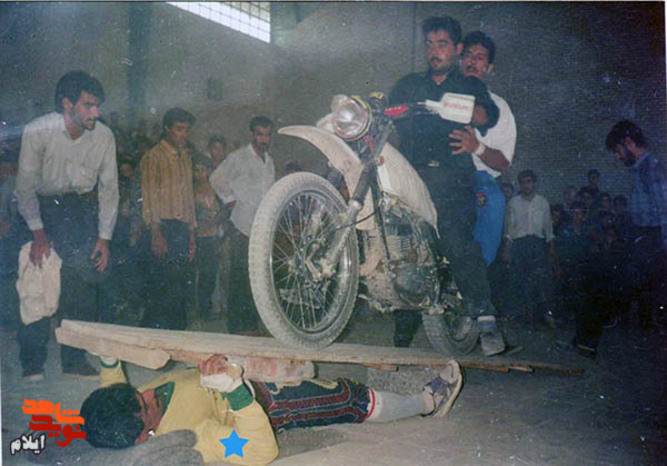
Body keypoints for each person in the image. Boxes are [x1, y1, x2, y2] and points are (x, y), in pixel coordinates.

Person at [79, 355, 462, 463]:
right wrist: (236, 393)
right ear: (143, 436)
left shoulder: (122, 405)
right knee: (347, 397)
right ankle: (428, 403)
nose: (149, 395)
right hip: (263, 402)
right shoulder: (190, 438)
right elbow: (262, 452)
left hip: (232, 367)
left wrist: (108, 358)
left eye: (138, 394)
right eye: (145, 406)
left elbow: (111, 383)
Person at [389, 17, 505, 355]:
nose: (434, 51)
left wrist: (461, 109)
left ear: (457, 49)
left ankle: (485, 317)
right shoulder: (410, 84)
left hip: (451, 177)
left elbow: (488, 116)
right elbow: (386, 110)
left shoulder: (468, 85)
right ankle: (402, 329)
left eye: (442, 44)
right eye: (429, 44)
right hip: (410, 174)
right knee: (399, 243)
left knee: (454, 237)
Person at [14, 71, 119, 381]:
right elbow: (24, 189)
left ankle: (73, 360)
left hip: (79, 211)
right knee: (36, 282)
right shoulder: (38, 131)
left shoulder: (104, 137)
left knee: (80, 288)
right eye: (88, 105)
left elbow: (109, 190)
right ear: (66, 104)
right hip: (39, 209)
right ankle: (32, 363)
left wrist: (104, 238)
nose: (95, 113)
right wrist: (38, 233)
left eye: (97, 105)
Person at [209, 116, 276, 335]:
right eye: (259, 134)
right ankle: (237, 327)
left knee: (256, 277)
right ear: (251, 134)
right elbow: (216, 178)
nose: (264, 139)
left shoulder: (269, 162)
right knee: (240, 276)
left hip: (260, 227)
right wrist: (231, 200)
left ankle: (251, 325)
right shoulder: (238, 157)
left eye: (267, 135)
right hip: (241, 224)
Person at [457, 31, 517, 266]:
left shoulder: (499, 107)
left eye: (480, 57)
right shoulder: (440, 94)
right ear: (460, 60)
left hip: (477, 179)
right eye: (468, 55)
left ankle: (478, 270)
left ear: (489, 68)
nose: (472, 62)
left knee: (493, 199)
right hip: (438, 172)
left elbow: (503, 163)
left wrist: (476, 147)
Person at [140, 108, 197, 330]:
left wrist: (192, 235)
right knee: (160, 289)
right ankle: (153, 339)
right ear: (167, 129)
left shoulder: (186, 157)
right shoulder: (153, 157)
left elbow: (189, 198)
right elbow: (149, 197)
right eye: (179, 129)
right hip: (162, 228)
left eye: (187, 130)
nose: (184, 134)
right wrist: (156, 233)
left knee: (179, 287)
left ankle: (176, 337)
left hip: (182, 229)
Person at [503, 169, 557, 328]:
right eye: (523, 183)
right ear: (519, 185)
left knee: (539, 282)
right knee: (520, 281)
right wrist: (506, 249)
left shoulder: (542, 202)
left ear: (534, 183)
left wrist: (551, 248)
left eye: (529, 182)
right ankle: (523, 318)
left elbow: (548, 228)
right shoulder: (514, 203)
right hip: (520, 245)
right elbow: (509, 229)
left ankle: (538, 318)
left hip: (538, 245)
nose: (526, 185)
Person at [192, 154, 227, 323]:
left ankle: (208, 308)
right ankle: (201, 308)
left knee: (210, 274)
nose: (199, 174)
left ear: (208, 171)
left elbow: (227, 209)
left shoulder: (215, 188)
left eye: (202, 170)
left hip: (212, 235)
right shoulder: (192, 190)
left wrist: (216, 220)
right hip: (198, 236)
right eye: (196, 170)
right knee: (199, 274)